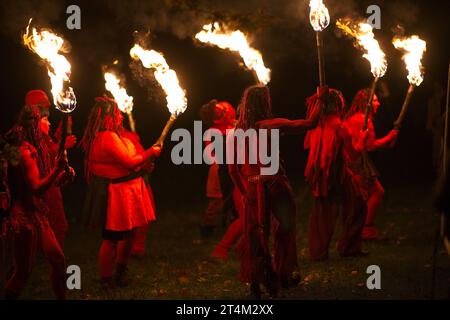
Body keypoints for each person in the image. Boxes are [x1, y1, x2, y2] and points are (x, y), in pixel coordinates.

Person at [80, 96, 161, 288]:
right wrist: (151, 152)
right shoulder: (107, 137)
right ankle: (107, 279)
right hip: (116, 193)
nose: (120, 118)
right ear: (107, 118)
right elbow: (129, 162)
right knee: (111, 238)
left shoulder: (111, 136)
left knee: (130, 234)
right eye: (116, 115)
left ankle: (120, 272)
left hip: (127, 191)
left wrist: (144, 165)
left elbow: (132, 162)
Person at [228, 85, 299, 299]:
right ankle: (282, 272)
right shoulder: (270, 125)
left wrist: (243, 191)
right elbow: (308, 123)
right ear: (264, 103)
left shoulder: (235, 133)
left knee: (256, 234)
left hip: (252, 185)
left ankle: (257, 283)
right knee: (285, 227)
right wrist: (320, 102)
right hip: (275, 183)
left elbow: (232, 170)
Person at [2, 105, 72, 300]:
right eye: (45, 119)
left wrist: (63, 176)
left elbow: (46, 180)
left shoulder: (35, 149)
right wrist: (58, 169)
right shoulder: (24, 152)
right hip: (23, 217)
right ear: (34, 123)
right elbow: (37, 187)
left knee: (58, 260)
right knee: (22, 274)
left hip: (37, 213)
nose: (49, 123)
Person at [24, 90, 77, 247]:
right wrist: (63, 145)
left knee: (57, 223)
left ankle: (52, 253)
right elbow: (42, 154)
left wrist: (63, 127)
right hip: (40, 184)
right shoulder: (30, 129)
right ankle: (52, 256)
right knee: (52, 223)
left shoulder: (41, 126)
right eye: (44, 102)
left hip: (50, 182)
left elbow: (50, 145)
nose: (48, 104)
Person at [344, 89, 398, 241]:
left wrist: (388, 141)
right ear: (366, 103)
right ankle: (366, 229)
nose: (378, 103)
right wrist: (389, 137)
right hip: (356, 161)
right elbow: (370, 146)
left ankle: (359, 228)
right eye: (374, 100)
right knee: (377, 192)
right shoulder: (364, 120)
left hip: (351, 159)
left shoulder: (354, 117)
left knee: (363, 195)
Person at [199, 100, 239, 240]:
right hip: (218, 170)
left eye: (225, 110)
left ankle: (235, 224)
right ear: (216, 120)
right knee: (216, 202)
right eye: (222, 113)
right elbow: (210, 154)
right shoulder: (212, 133)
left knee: (236, 198)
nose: (227, 112)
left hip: (235, 168)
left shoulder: (235, 126)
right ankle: (207, 229)